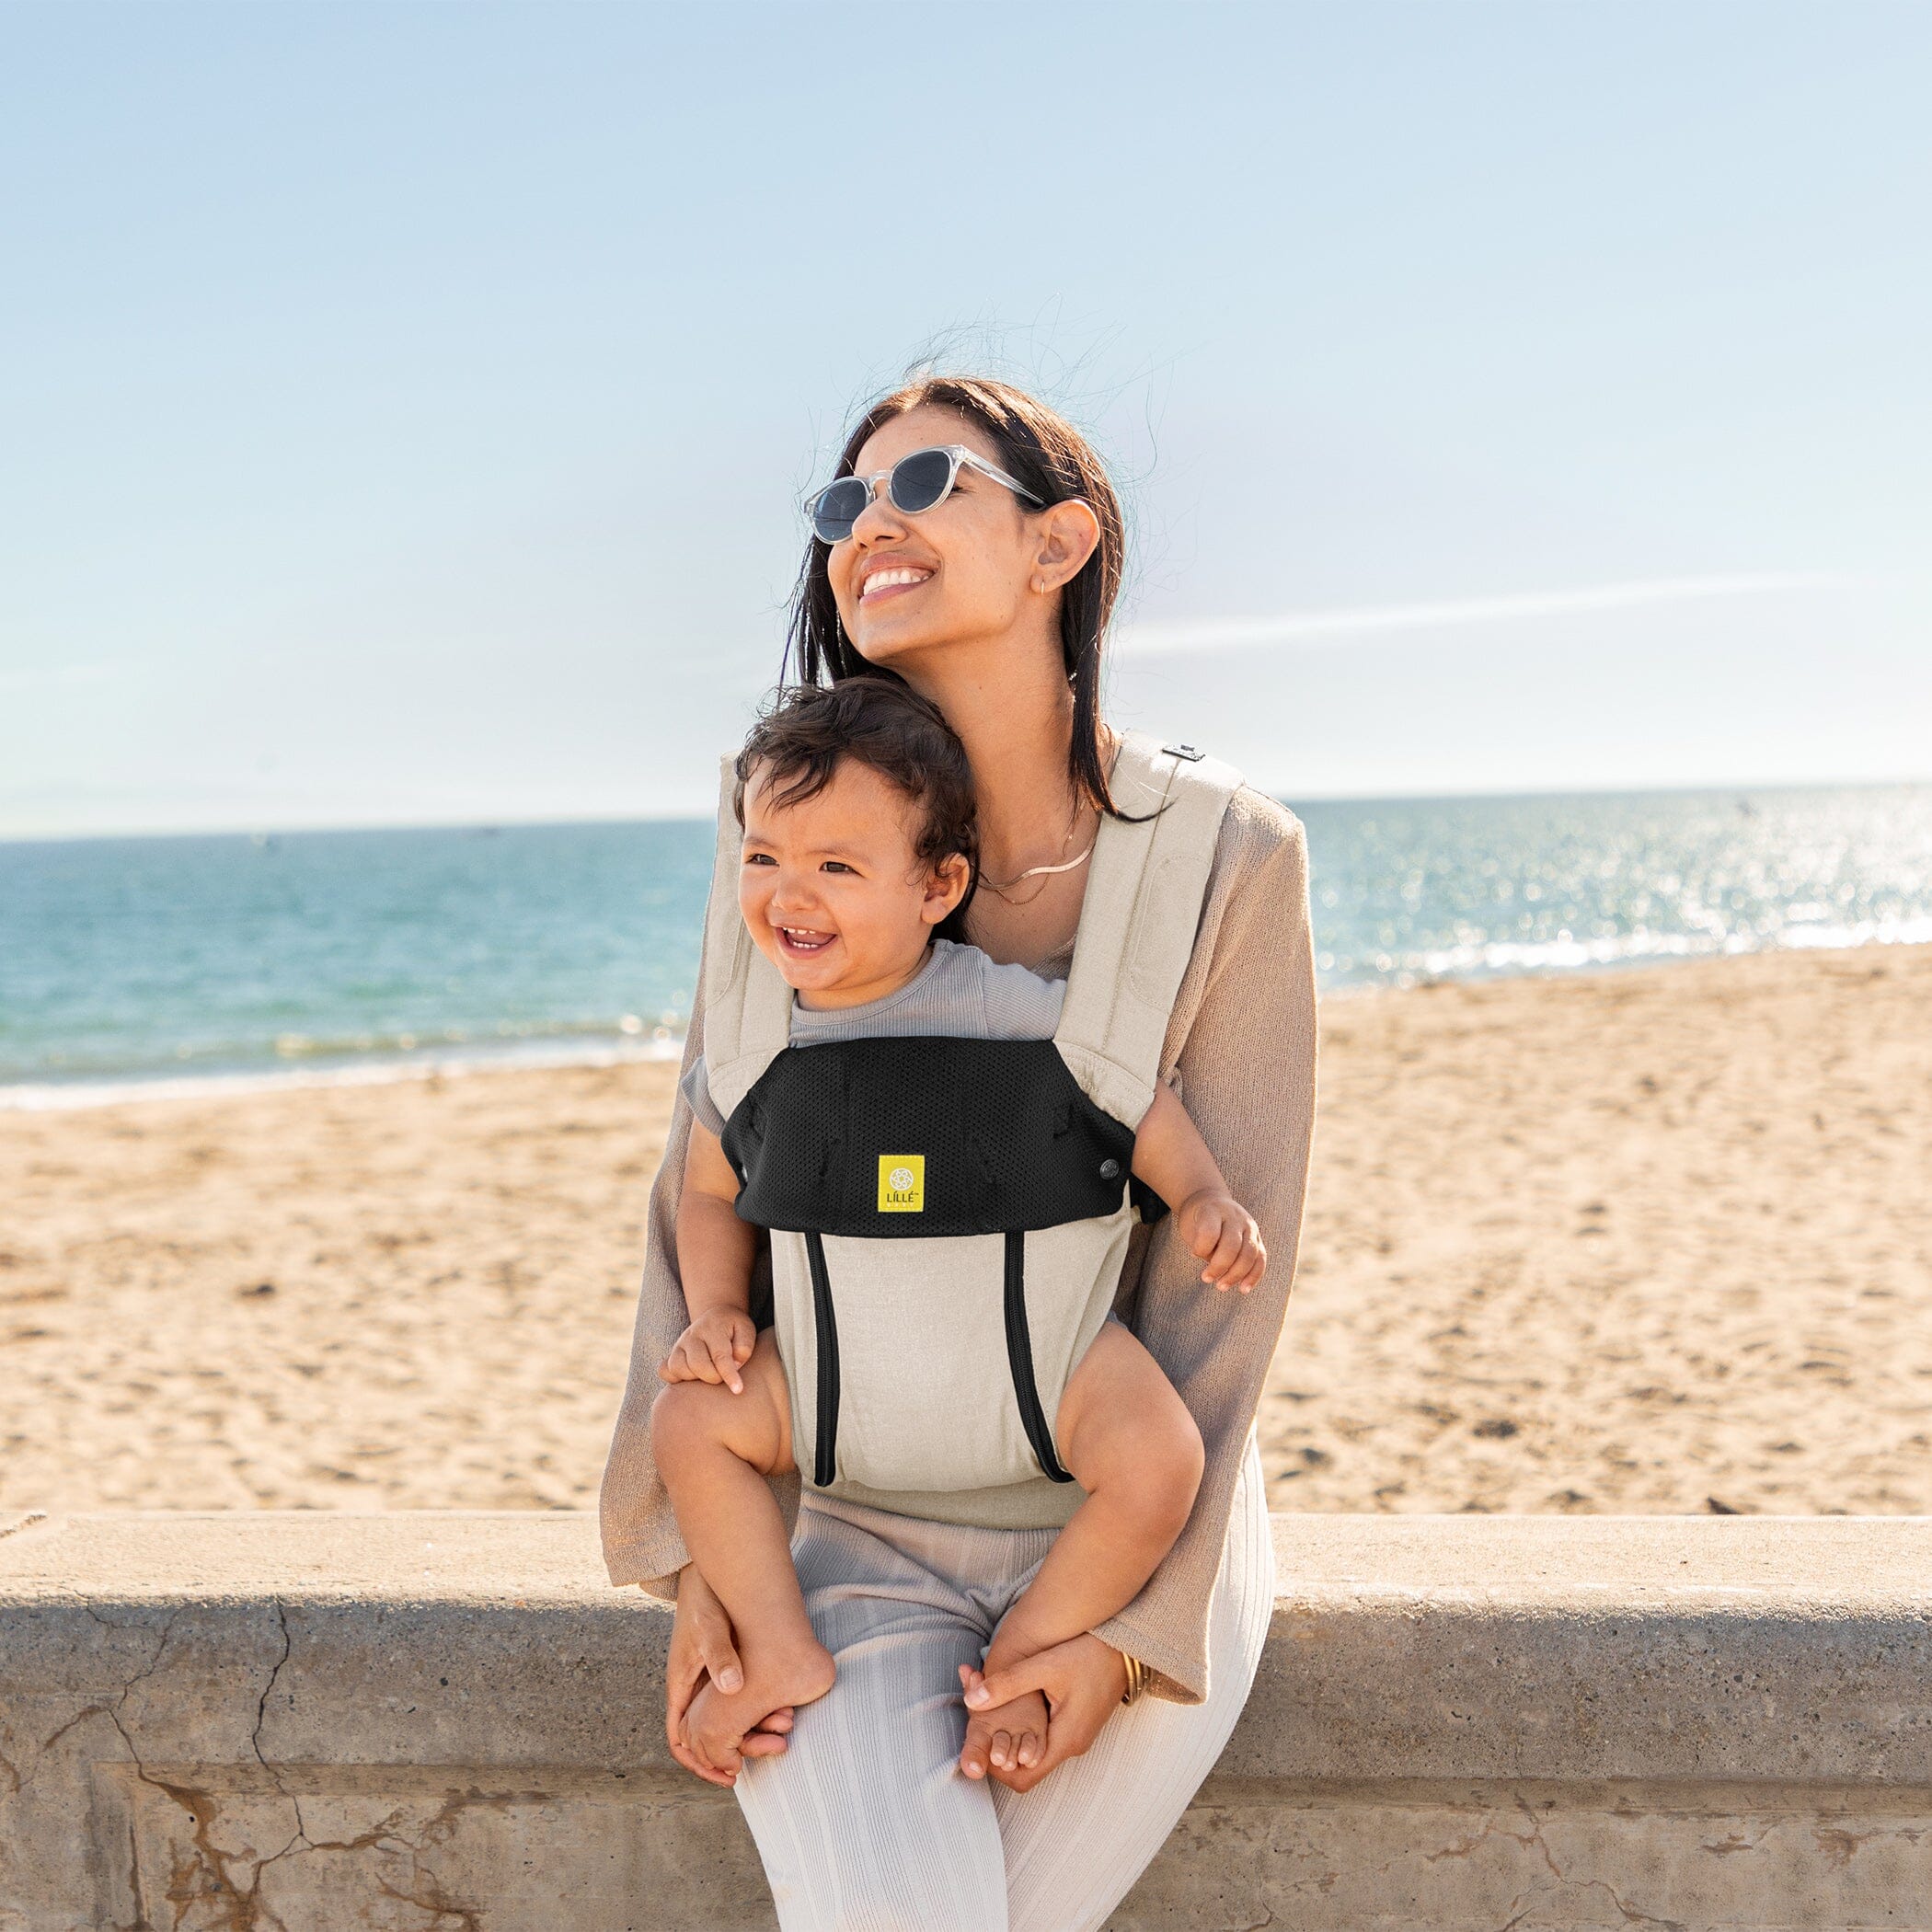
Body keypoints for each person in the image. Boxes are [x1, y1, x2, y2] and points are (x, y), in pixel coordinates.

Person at [602, 374, 1317, 1931]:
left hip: (1129, 1504)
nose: (875, 525)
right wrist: (710, 1570)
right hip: (848, 1517)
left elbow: (1226, 1285)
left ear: (1060, 546)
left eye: (929, 483)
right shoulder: (779, 841)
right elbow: (700, 1196)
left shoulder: (1228, 856)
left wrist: (1122, 1632)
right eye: (846, 503)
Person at [650, 676, 1268, 1786]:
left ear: (940, 885)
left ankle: (1033, 1644)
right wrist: (715, 1314)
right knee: (691, 1424)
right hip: (841, 1416)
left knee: (1162, 1457)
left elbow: (1136, 1102)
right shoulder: (751, 1057)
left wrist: (1207, 1196)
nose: (789, 894)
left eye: (836, 866)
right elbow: (705, 1192)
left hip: (1045, 1383)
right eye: (762, 858)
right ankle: (778, 1642)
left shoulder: (1019, 1013)